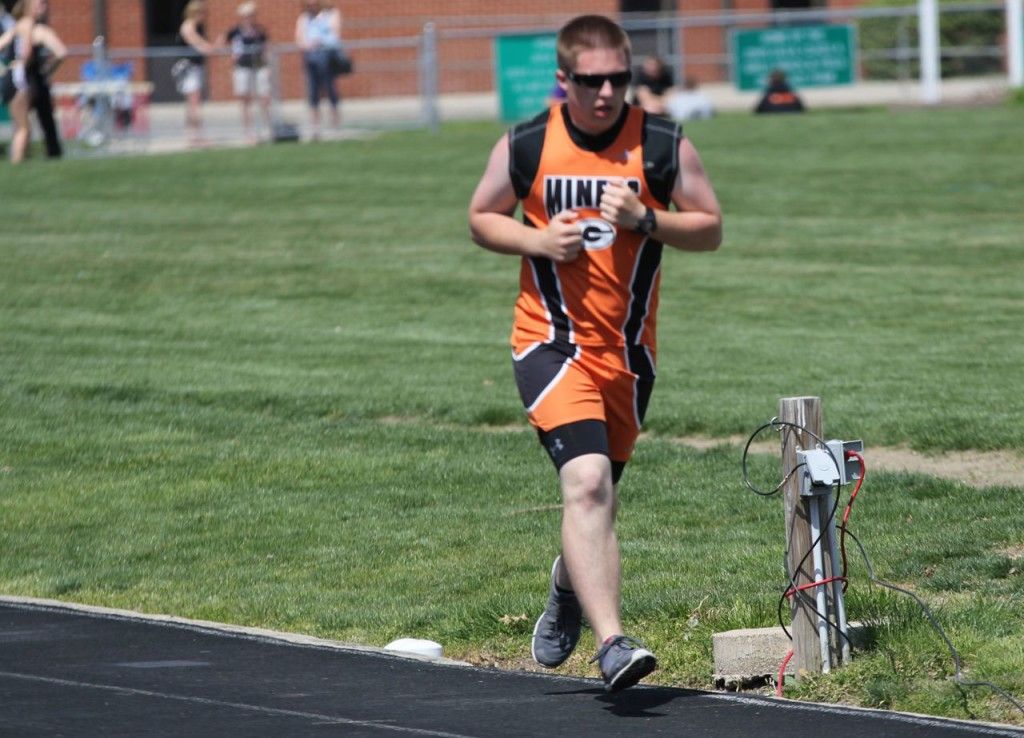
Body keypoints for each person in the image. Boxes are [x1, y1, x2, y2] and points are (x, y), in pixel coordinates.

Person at [468, 14, 722, 693]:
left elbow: (710, 228)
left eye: (618, 78)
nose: (606, 92)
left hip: (629, 357)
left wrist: (648, 219)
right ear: (564, 80)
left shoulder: (661, 143)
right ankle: (613, 644)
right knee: (585, 484)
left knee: (598, 498)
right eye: (591, 80)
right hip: (548, 344)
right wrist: (536, 242)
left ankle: (566, 588)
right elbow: (481, 215)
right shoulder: (529, 143)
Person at [0, 0, 65, 163]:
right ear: (30, 8)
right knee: (27, 128)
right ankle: (22, 160)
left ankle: (21, 159)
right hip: (26, 80)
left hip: (13, 80)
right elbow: (60, 52)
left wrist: (6, 66)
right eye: (40, 4)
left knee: (22, 126)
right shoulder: (33, 27)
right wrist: (44, 69)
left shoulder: (15, 27)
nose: (44, 7)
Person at [295, 0, 342, 139]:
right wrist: (309, 44)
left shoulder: (330, 15)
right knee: (313, 93)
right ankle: (315, 127)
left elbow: (335, 36)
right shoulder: (304, 18)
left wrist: (320, 41)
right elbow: (299, 39)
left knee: (331, 90)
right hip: (311, 60)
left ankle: (335, 125)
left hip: (327, 59)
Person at [227, 1, 271, 143]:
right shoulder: (236, 31)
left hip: (259, 66)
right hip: (242, 67)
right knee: (245, 99)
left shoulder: (260, 31)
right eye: (246, 16)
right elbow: (226, 44)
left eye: (251, 15)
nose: (249, 18)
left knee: (264, 97)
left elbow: (266, 47)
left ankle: (266, 128)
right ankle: (249, 131)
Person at [175, 0, 217, 146]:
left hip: (194, 68)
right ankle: (195, 136)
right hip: (188, 69)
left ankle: (193, 135)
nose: (204, 17)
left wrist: (212, 48)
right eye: (202, 13)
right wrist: (212, 48)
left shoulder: (194, 27)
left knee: (193, 102)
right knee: (194, 103)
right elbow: (199, 45)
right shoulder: (188, 27)